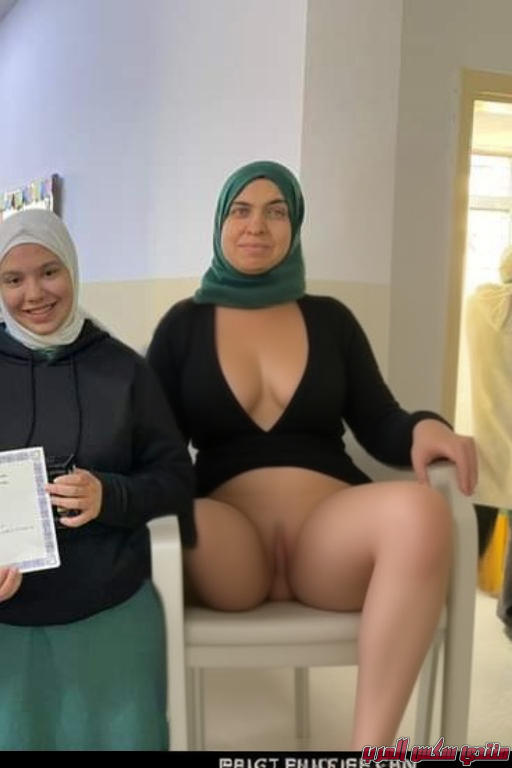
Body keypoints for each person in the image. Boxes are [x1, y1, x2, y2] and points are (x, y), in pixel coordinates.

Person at [147, 160, 477, 749]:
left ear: (294, 225)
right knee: (159, 517)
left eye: (276, 211)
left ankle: (370, 753)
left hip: (329, 542)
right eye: (241, 210)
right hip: (229, 545)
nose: (257, 225)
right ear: (220, 223)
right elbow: (156, 441)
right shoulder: (182, 325)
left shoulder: (331, 319)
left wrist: (424, 426)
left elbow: (380, 422)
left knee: (423, 511)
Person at [0, 208, 195, 751]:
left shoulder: (123, 370)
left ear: (73, 269)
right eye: (13, 279)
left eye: (49, 272)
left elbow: (176, 479)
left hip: (108, 598)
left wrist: (110, 495)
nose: (34, 294)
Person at [465, 245, 512, 631]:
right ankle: (509, 614)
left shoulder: (478, 303)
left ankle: (450, 605)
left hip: (483, 437)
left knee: (473, 528)